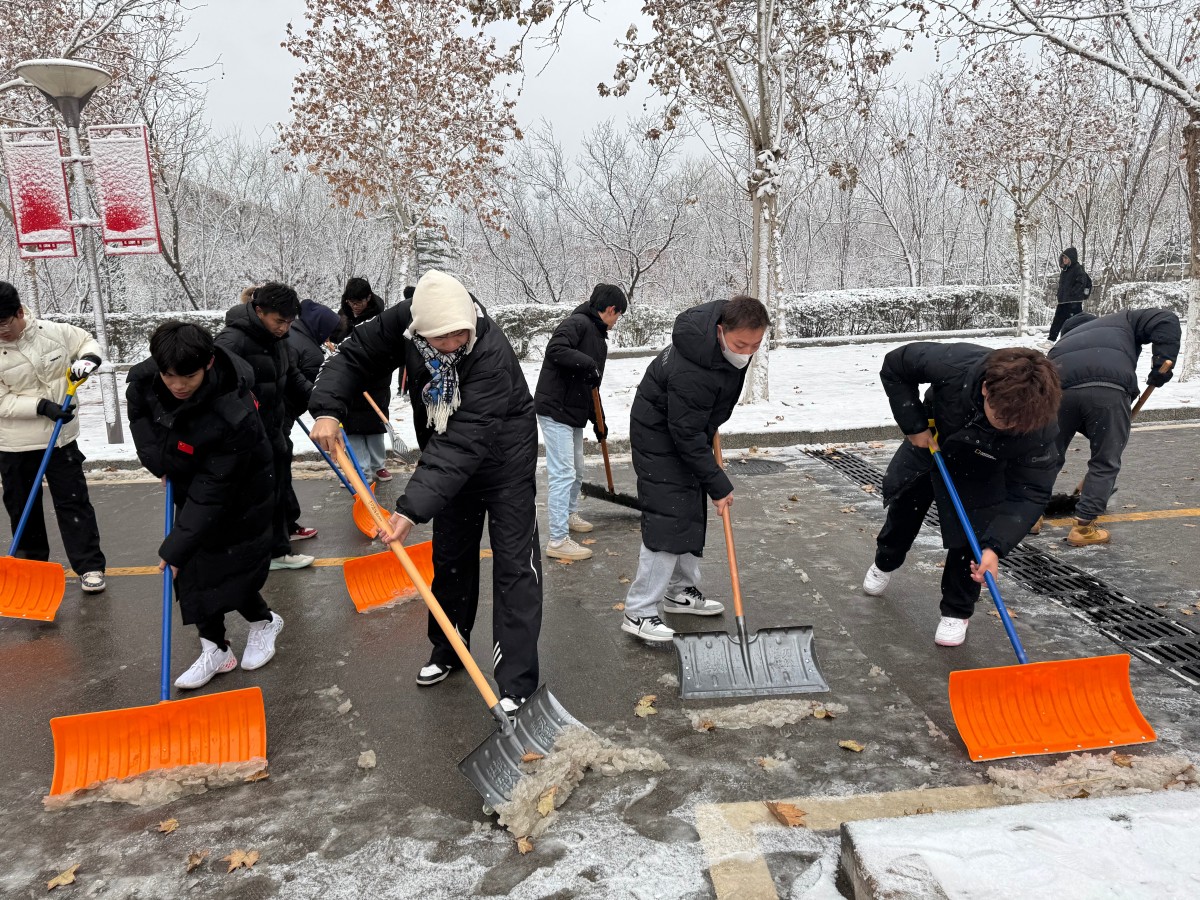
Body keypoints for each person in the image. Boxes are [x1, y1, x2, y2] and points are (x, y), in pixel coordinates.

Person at [309, 269, 541, 716]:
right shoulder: (404, 323)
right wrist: (327, 411)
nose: (453, 343)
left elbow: (465, 440)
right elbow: (351, 357)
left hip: (503, 463)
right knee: (451, 559)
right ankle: (449, 650)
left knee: (515, 567)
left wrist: (411, 508)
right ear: (418, 330)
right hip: (447, 459)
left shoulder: (488, 352)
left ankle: (515, 680)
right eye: (442, 338)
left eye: (459, 334)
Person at [863, 344, 1062, 647]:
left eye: (1015, 424)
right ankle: (885, 561)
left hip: (985, 466)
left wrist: (996, 548)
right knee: (906, 510)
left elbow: (1031, 491)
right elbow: (895, 366)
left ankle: (957, 610)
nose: (1007, 426)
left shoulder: (1038, 428)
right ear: (985, 389)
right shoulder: (954, 365)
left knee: (974, 539)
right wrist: (914, 425)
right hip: (933, 440)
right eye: (1002, 417)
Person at [127, 322, 282, 689]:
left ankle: (264, 622)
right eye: (169, 376)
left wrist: (177, 545)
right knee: (193, 569)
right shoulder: (148, 378)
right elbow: (142, 421)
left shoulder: (233, 411)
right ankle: (215, 647)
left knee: (229, 564)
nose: (177, 385)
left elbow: (214, 489)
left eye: (188, 377)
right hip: (189, 471)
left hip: (241, 488)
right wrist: (158, 462)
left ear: (209, 363)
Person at [621, 294, 770, 643]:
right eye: (740, 344)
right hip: (659, 435)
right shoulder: (693, 368)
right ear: (720, 331)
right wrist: (718, 483)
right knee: (669, 516)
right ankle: (638, 612)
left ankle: (680, 592)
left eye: (756, 344)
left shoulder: (724, 343)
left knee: (688, 509)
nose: (747, 351)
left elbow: (700, 413)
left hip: (687, 426)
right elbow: (684, 433)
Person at [0, 281, 107, 593]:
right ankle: (32, 571)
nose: (1, 332)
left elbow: (86, 342)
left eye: (4, 323)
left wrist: (88, 361)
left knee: (74, 503)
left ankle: (89, 566)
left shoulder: (53, 333)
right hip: (15, 443)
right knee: (24, 509)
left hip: (61, 439)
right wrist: (41, 406)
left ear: (19, 312)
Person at [1047, 308, 1181, 547]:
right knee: (1105, 458)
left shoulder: (1061, 344)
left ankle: (1029, 516)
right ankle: (1084, 527)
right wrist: (1162, 361)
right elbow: (1165, 318)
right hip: (1107, 388)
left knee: (1047, 455)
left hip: (1059, 391)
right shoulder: (1124, 319)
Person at [215, 282, 314, 570]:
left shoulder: (278, 338)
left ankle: (277, 550)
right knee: (257, 496)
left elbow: (291, 374)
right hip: (246, 436)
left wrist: (320, 402)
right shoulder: (231, 341)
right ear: (259, 311)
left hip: (274, 428)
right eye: (279, 321)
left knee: (278, 488)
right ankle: (259, 553)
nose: (285, 328)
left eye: (290, 322)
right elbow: (220, 392)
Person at [533, 283, 627, 561]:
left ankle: (569, 514)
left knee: (577, 467)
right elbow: (556, 349)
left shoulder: (596, 334)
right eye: (618, 315)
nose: (616, 321)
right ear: (611, 310)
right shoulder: (578, 323)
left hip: (572, 410)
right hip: (555, 407)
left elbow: (590, 384)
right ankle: (558, 540)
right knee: (563, 472)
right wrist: (587, 363)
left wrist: (599, 422)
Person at [282, 298, 340, 541]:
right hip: (279, 415)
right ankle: (284, 529)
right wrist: (326, 413)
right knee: (277, 472)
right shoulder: (307, 348)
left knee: (277, 471)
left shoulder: (292, 335)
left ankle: (284, 527)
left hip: (278, 412)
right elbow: (304, 387)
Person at [331, 278, 392, 483]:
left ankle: (378, 465)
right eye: (351, 302)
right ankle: (360, 470)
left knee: (376, 424)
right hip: (349, 379)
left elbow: (388, 350)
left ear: (368, 298)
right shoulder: (343, 317)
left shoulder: (381, 317)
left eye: (359, 302)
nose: (355, 306)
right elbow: (336, 339)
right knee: (352, 427)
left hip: (376, 379)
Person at [1049, 247, 1092, 341]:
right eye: (1063, 258)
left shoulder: (1078, 269)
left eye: (1066, 258)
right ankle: (1051, 340)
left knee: (1074, 323)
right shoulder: (1065, 271)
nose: (1064, 260)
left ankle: (1074, 341)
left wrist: (1072, 293)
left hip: (1073, 302)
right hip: (1063, 301)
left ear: (1071, 258)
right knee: (1057, 321)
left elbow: (1082, 282)